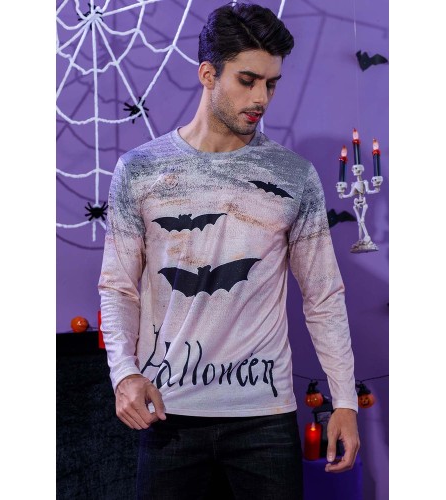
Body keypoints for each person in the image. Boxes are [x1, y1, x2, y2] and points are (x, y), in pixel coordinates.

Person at [98, 2, 360, 499]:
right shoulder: (140, 170)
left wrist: (344, 398)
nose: (261, 97)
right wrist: (124, 373)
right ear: (207, 75)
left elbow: (323, 295)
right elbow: (117, 287)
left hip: (264, 418)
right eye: (247, 80)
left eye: (271, 83)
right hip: (169, 411)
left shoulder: (293, 176)